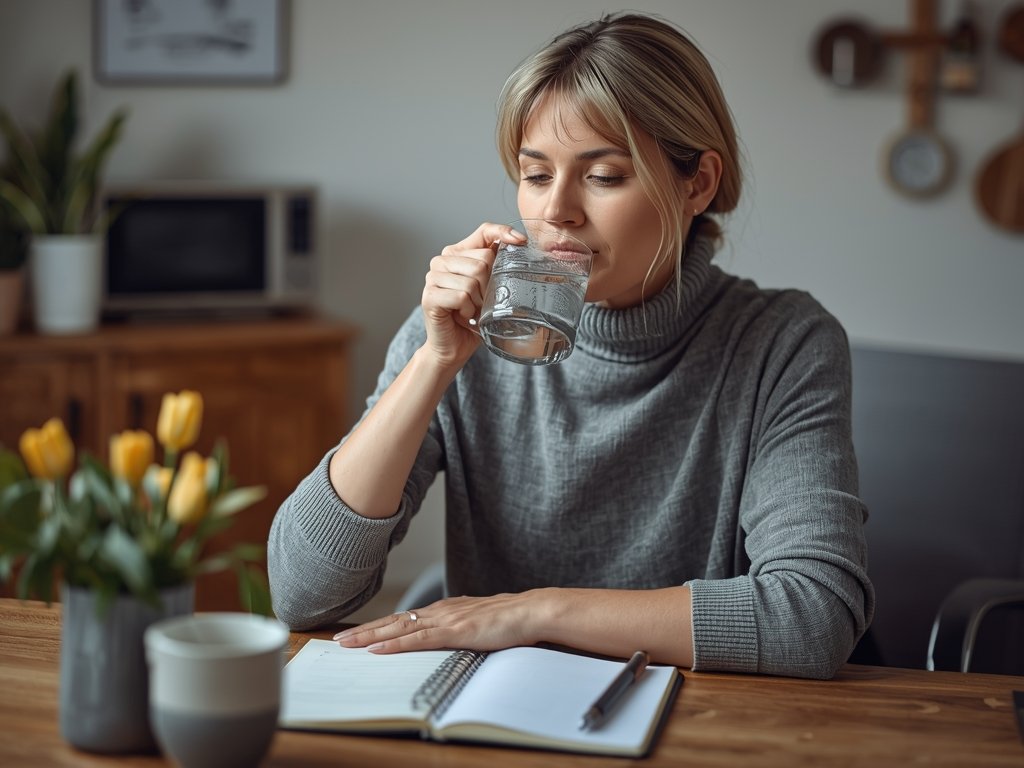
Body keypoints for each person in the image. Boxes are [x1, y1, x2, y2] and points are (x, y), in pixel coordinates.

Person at [268, 11, 874, 680]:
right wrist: (433, 363)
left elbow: (813, 617)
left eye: (604, 175)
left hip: (705, 718)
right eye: (535, 175)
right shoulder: (459, 338)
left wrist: (533, 613)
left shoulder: (784, 345)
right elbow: (302, 594)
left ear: (697, 183)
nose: (556, 211)